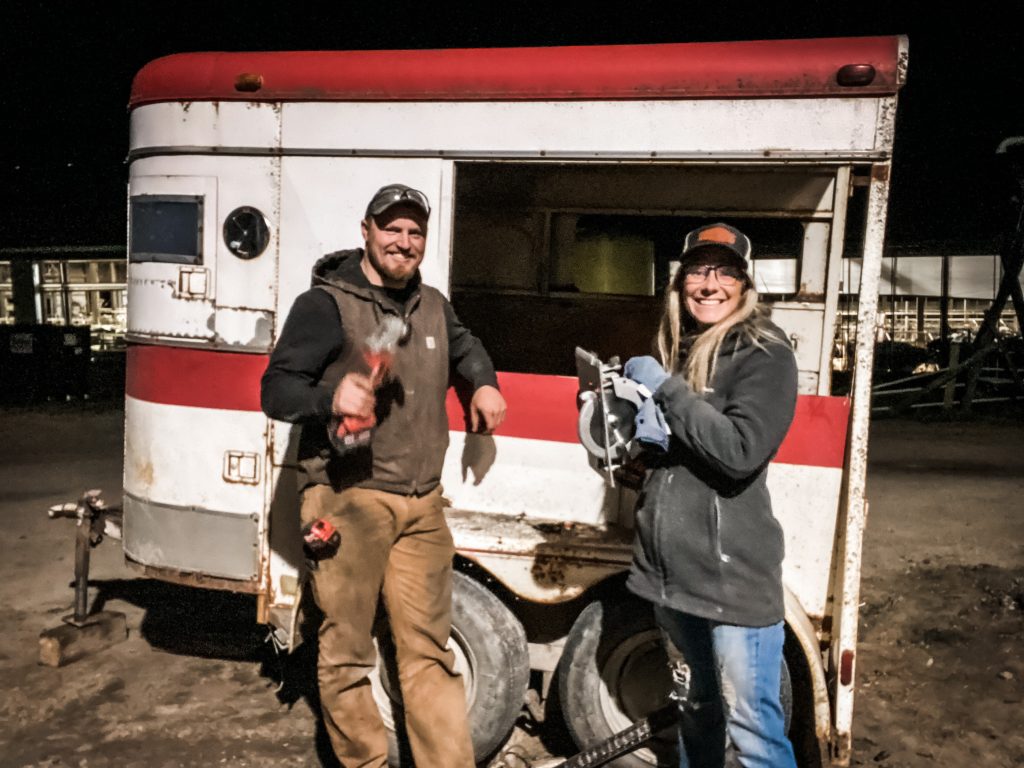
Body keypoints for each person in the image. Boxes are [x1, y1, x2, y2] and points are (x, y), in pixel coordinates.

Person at [260, 183, 507, 767]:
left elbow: (467, 347)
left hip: (422, 504)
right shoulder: (325, 304)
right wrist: (328, 396)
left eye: (414, 231)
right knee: (346, 653)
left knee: (428, 652)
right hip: (350, 500)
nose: (403, 241)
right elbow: (275, 389)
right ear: (366, 232)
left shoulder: (432, 304)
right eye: (391, 228)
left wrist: (485, 381)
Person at [622, 222, 799, 768]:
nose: (709, 283)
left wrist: (665, 390)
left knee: (753, 736)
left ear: (745, 286)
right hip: (672, 580)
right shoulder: (684, 348)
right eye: (698, 270)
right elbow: (686, 455)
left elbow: (739, 451)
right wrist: (638, 447)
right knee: (696, 712)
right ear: (680, 283)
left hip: (732, 586)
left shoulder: (765, 354)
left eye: (725, 272)